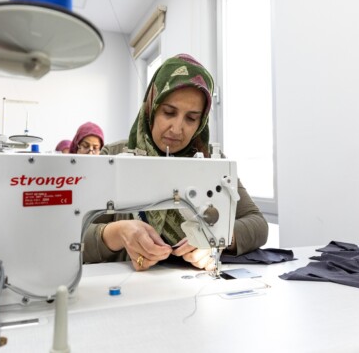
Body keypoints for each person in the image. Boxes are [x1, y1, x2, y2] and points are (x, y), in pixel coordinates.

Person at [83, 54, 268, 271]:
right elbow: (71, 234)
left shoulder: (212, 163)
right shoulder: (112, 157)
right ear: (152, 106)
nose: (177, 129)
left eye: (191, 118)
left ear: (201, 122)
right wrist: (117, 233)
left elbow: (258, 224)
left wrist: (215, 239)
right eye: (169, 112)